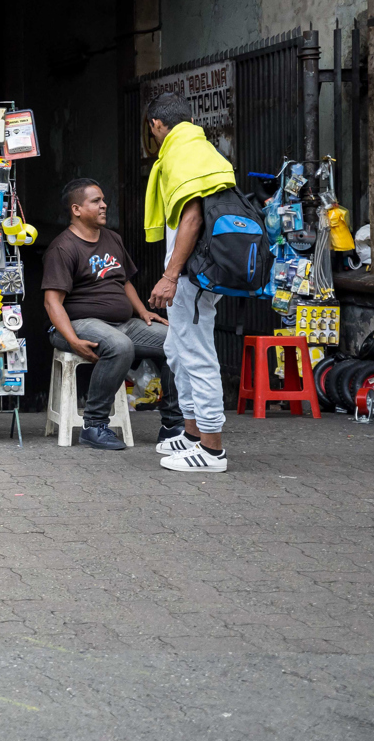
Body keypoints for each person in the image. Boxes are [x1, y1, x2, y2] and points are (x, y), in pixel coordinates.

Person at [43, 178, 183, 450]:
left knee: (176, 341)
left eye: (103, 199)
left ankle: (172, 424)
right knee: (121, 347)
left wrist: (143, 312)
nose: (104, 205)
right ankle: (94, 426)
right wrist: (72, 339)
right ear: (77, 209)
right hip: (77, 324)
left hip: (124, 323)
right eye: (96, 201)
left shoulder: (112, 238)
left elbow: (124, 282)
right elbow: (52, 303)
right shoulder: (63, 247)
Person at [143, 92, 237, 472]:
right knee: (179, 350)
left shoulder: (182, 154)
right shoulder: (197, 149)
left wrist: (170, 276)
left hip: (193, 274)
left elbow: (193, 218)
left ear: (156, 125)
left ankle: (212, 450)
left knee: (196, 353)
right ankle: (194, 434)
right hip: (190, 272)